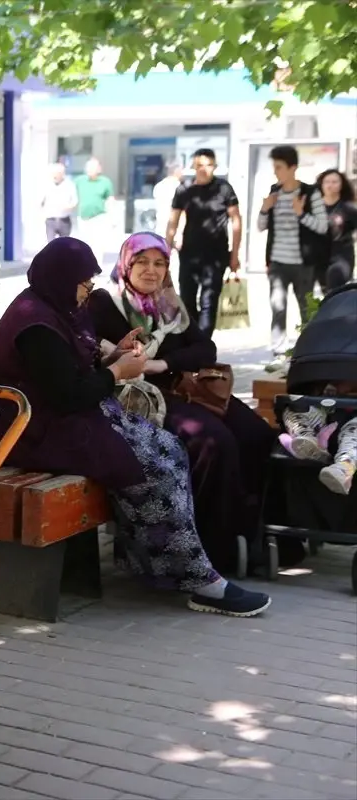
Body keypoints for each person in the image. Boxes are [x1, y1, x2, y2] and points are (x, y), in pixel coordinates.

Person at [0, 236, 270, 616]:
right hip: (41, 434)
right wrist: (120, 371)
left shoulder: (54, 308)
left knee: (170, 449)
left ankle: (159, 564)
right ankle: (199, 580)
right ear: (62, 278)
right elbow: (69, 394)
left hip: (71, 421)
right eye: (84, 284)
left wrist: (114, 357)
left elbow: (75, 376)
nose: (88, 292)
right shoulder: (34, 323)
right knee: (152, 471)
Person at [89, 232, 277, 575]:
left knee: (257, 435)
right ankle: (208, 553)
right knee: (213, 442)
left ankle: (250, 534)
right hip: (139, 398)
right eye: (142, 262)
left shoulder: (169, 304)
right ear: (126, 265)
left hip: (181, 386)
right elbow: (91, 352)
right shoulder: (104, 303)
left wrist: (163, 363)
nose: (151, 271)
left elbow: (206, 350)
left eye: (159, 263)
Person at [258, 145, 330, 359]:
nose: (276, 171)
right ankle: (279, 350)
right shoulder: (274, 192)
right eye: (274, 167)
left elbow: (322, 226)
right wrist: (265, 208)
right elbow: (261, 226)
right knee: (277, 306)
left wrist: (300, 214)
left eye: (279, 167)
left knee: (306, 308)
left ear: (292, 168)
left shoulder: (310, 193)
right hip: (278, 262)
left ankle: (308, 350)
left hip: (303, 262)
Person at [166, 149, 243, 338]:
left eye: (208, 165)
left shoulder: (224, 188)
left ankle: (204, 342)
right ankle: (193, 341)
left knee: (209, 300)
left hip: (216, 255)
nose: (203, 169)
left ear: (215, 166)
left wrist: (235, 255)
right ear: (193, 166)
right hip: (189, 254)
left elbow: (236, 220)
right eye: (199, 165)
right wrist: (165, 251)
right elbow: (173, 221)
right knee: (187, 300)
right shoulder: (184, 189)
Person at [317, 168, 357, 291]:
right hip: (319, 258)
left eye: (335, 182)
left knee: (335, 279)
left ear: (341, 185)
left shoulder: (349, 209)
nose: (330, 185)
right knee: (325, 293)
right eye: (327, 182)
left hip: (342, 256)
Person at [74, 157, 114, 266]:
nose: (90, 169)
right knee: (84, 243)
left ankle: (96, 266)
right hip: (83, 217)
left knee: (97, 243)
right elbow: (71, 194)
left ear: (99, 169)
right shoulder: (79, 181)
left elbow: (110, 199)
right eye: (88, 167)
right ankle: (84, 265)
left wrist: (112, 218)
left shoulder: (105, 182)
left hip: (99, 217)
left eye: (93, 167)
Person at [40, 162, 78, 241]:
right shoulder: (47, 184)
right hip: (51, 220)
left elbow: (75, 201)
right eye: (53, 173)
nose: (55, 175)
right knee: (50, 245)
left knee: (64, 245)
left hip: (64, 220)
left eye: (57, 173)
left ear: (62, 174)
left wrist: (68, 207)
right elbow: (41, 201)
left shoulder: (69, 185)